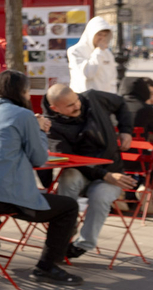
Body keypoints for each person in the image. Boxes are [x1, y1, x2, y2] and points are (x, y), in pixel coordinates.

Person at [0, 70, 83, 285]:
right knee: (67, 206)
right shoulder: (24, 116)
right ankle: (47, 266)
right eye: (28, 92)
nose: (29, 97)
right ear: (21, 92)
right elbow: (38, 159)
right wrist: (38, 129)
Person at [43, 82, 135, 259]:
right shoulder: (52, 126)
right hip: (84, 172)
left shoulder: (92, 98)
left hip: (112, 170)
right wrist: (104, 175)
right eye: (69, 105)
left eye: (76, 100)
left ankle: (83, 245)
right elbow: (70, 161)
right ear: (55, 108)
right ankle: (67, 226)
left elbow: (122, 104)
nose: (77, 105)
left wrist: (126, 131)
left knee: (100, 196)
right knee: (68, 176)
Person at [68, 16, 118, 93]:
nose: (102, 38)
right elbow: (88, 73)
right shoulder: (75, 51)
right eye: (99, 34)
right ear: (91, 34)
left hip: (105, 98)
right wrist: (98, 52)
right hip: (85, 99)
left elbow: (112, 79)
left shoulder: (107, 53)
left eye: (105, 35)